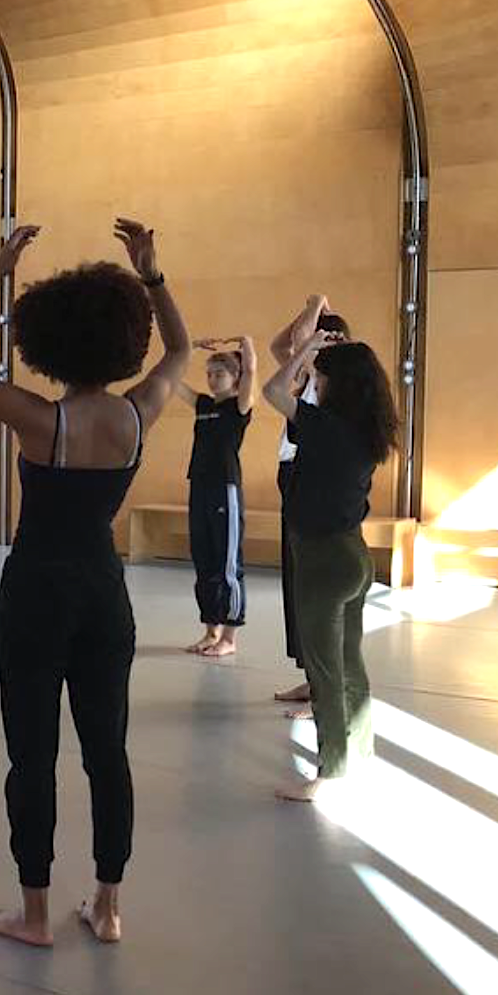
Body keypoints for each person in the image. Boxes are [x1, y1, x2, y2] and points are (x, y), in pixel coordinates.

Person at [0, 217, 191, 949]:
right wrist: (151, 273)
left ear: (49, 343)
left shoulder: (39, 421)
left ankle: (35, 914)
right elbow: (179, 350)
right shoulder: (137, 414)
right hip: (104, 594)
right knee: (108, 752)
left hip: (35, 594)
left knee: (33, 756)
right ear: (123, 339)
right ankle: (108, 908)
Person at [262, 326, 398, 802]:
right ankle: (360, 752)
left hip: (322, 561)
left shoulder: (327, 428)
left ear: (337, 386)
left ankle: (331, 771)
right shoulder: (365, 430)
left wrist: (306, 348)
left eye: (319, 381)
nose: (314, 387)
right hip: (353, 557)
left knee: (324, 671)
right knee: (349, 663)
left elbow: (272, 390)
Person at [268, 296, 352, 714]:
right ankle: (311, 676)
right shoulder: (303, 375)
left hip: (315, 483)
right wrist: (311, 317)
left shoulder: (343, 387)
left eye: (328, 340)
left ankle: (326, 690)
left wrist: (318, 306)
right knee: (297, 585)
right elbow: (278, 344)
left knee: (318, 590)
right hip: (291, 480)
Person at [174, 336, 255, 657]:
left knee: (227, 564)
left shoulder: (239, 407)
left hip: (225, 487)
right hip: (199, 485)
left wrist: (247, 346)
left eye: (219, 374)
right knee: (204, 560)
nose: (211, 379)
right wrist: (189, 349)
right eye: (209, 374)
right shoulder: (203, 405)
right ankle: (211, 631)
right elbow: (170, 380)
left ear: (234, 378)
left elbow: (251, 372)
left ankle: (230, 637)